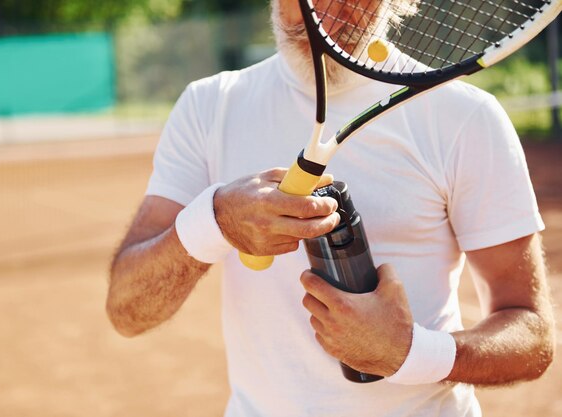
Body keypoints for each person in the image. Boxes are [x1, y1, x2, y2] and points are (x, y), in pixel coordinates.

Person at [106, 0, 556, 415]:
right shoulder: (209, 107)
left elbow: (531, 332)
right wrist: (216, 221)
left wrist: (409, 352)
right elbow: (127, 310)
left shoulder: (463, 117)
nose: (327, 13)